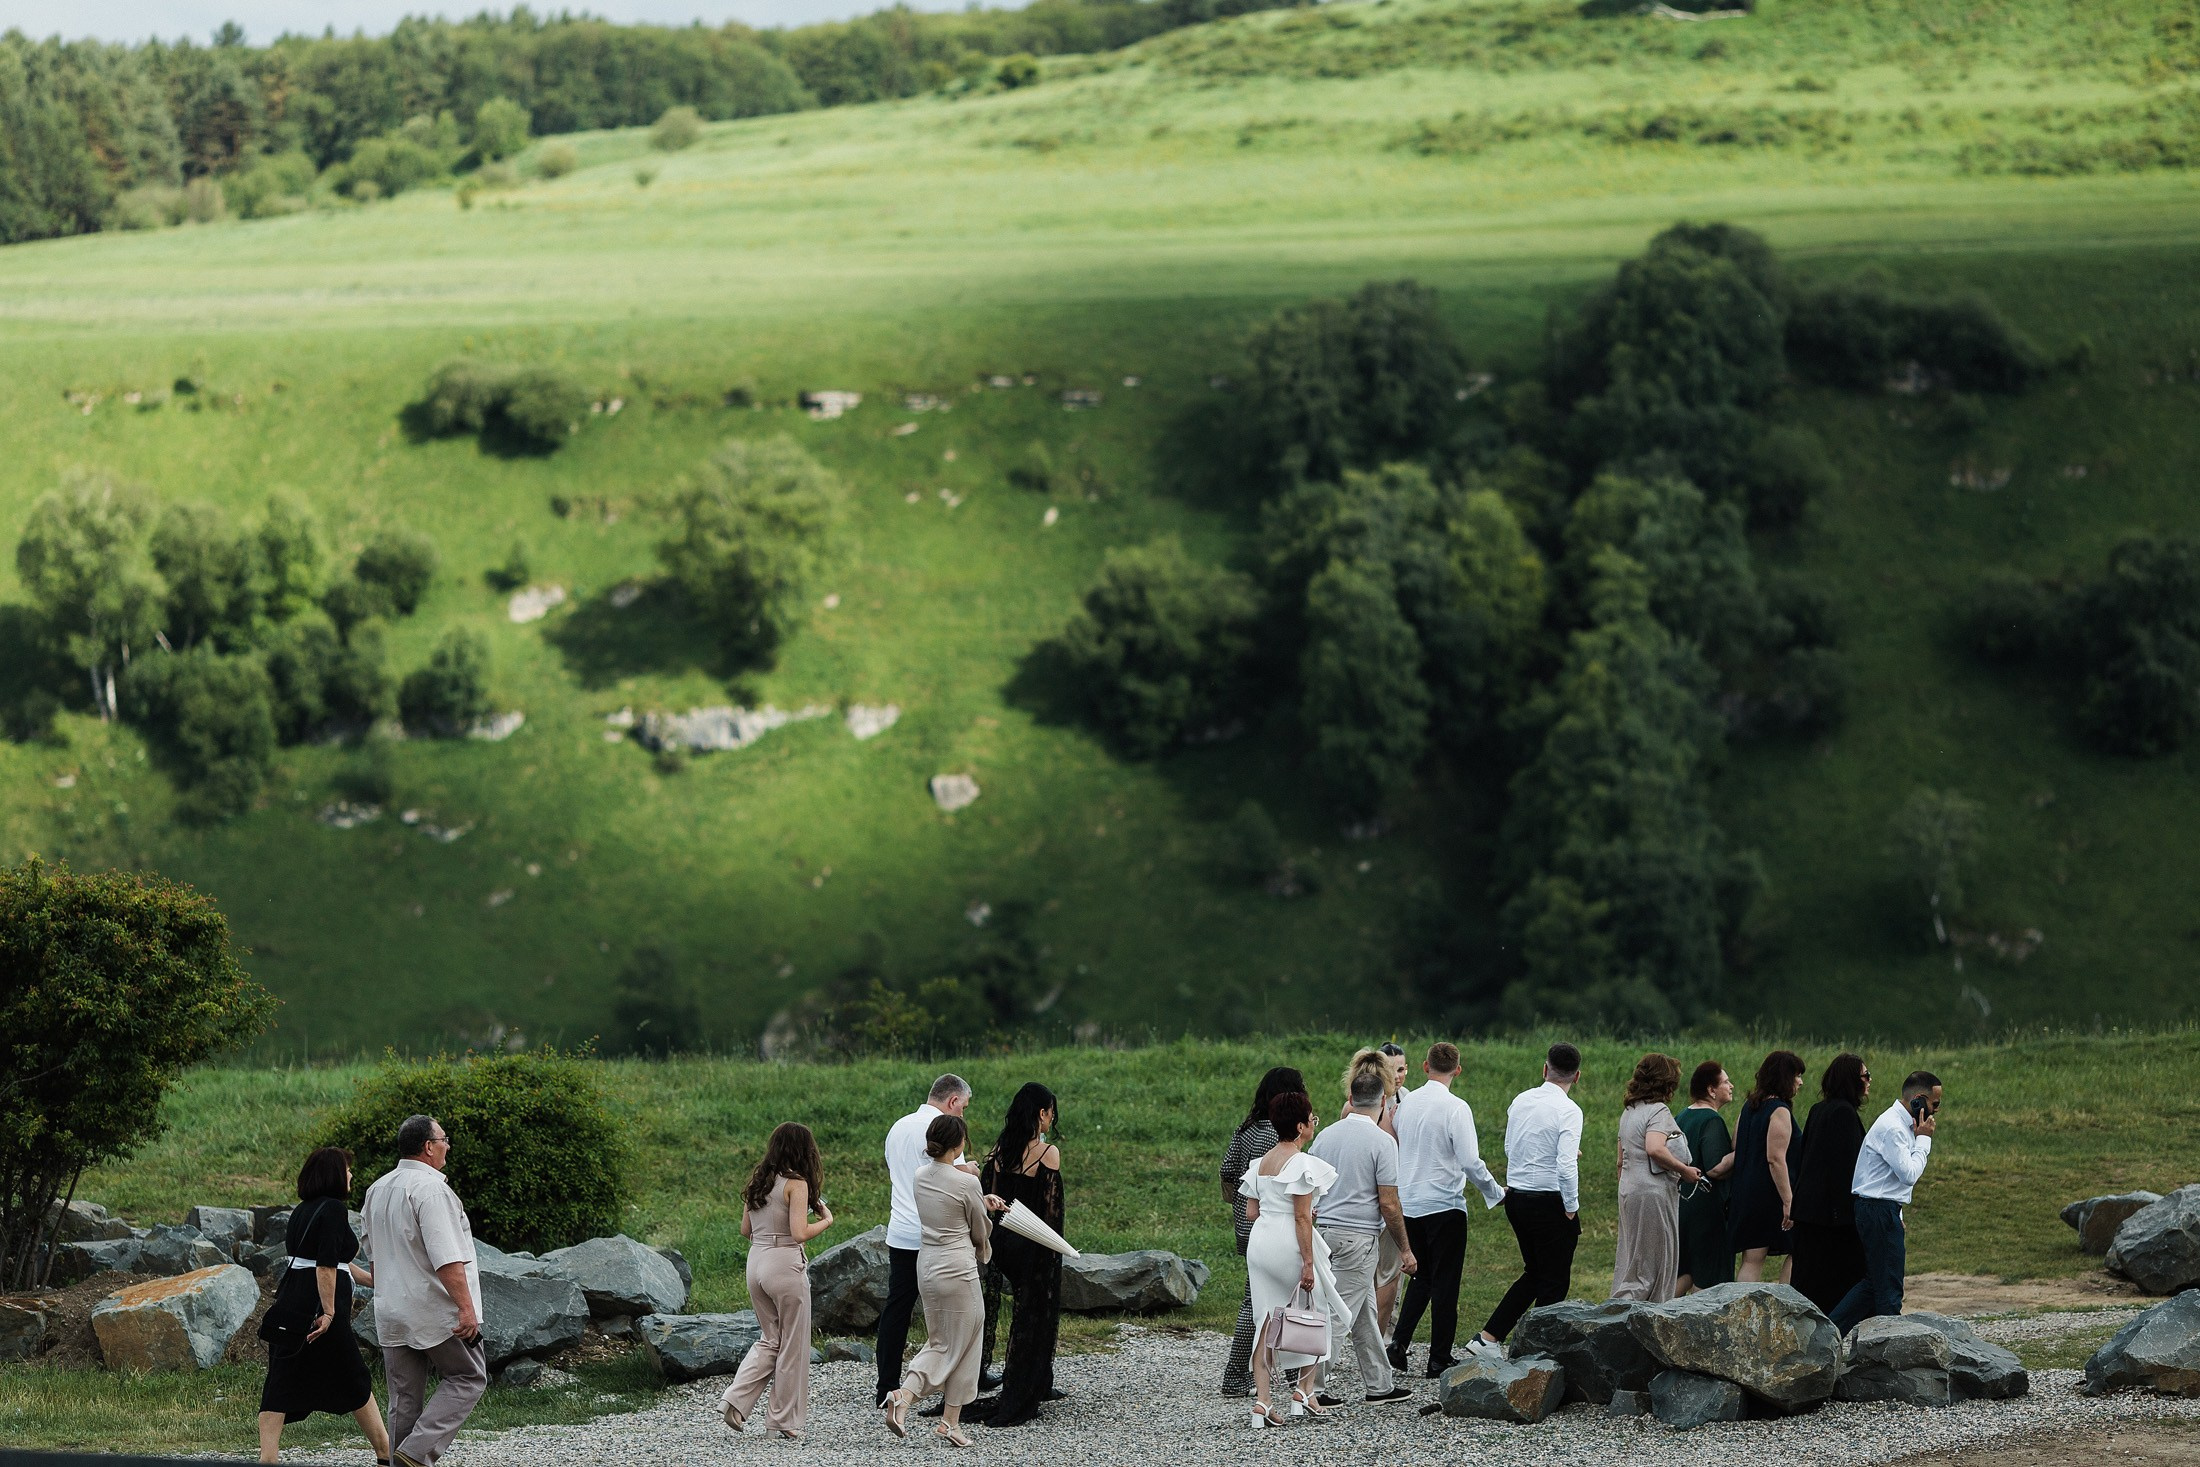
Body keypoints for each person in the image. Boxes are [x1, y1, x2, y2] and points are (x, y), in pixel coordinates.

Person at [359, 1116, 485, 1467]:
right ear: (429, 1147)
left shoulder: (377, 1189)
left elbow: (373, 1256)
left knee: (403, 1396)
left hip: (390, 1308)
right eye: (444, 1139)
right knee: (468, 1376)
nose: (448, 1146)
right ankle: (416, 1452)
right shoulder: (431, 1190)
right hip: (432, 1307)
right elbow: (447, 1257)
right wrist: (466, 1308)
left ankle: (401, 1463)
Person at [257, 1146, 388, 1465]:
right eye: (346, 1169)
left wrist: (375, 1281)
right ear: (334, 1175)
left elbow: (335, 1260)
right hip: (320, 1307)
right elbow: (326, 1267)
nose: (351, 1174)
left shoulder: (303, 1210)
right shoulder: (333, 1209)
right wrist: (329, 1312)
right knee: (353, 1375)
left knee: (282, 1377)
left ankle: (268, 1457)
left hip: (292, 1301)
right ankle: (385, 1451)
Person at [1387, 1042, 1503, 1378]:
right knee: (1446, 1283)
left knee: (1421, 1277)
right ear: (1457, 1070)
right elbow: (1470, 1161)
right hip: (1444, 1204)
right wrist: (1495, 1192)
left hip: (1410, 1202)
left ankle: (1399, 1344)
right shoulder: (1456, 1108)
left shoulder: (1406, 1106)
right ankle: (1438, 1357)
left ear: (1425, 1066)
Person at [882, 1115, 998, 1448]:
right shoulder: (967, 1183)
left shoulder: (921, 1175)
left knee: (945, 1339)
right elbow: (979, 1230)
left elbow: (950, 1198)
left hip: (927, 1265)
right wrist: (984, 1209)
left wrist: (979, 1200)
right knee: (957, 1343)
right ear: (959, 1144)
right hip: (957, 1269)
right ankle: (904, 1395)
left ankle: (950, 1422)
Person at [1307, 1062, 1418, 1407]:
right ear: (1383, 1101)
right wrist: (1405, 1249)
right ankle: (1312, 1388)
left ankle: (1379, 1384)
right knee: (1340, 1314)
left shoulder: (1325, 1137)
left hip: (1324, 1232)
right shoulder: (1382, 1143)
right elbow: (1389, 1203)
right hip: (1358, 1237)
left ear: (1351, 1100)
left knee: (1364, 1314)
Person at [1465, 1043, 1584, 1354]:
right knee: (1555, 1281)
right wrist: (1571, 1206)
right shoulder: (1569, 1110)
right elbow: (1566, 1164)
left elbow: (1511, 1146)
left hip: (1517, 1197)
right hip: (1550, 1200)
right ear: (1577, 1077)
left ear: (1545, 1070)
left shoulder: (1521, 1100)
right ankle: (1538, 1350)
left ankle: (1488, 1337)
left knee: (1535, 1272)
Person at [1241, 1091, 1348, 1429]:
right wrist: (1306, 1262)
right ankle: (1303, 1391)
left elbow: (1250, 1212)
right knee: (1314, 1313)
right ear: (1301, 1126)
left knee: (1266, 1320)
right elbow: (1303, 1219)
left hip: (1261, 1242)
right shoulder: (1301, 1163)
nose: (1314, 1123)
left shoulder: (1261, 1163)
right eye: (1312, 1119)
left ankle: (1262, 1401)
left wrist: (1283, 1209)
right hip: (1289, 1240)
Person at [721, 1123, 835, 1441]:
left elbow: (746, 1230)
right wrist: (825, 1220)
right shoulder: (795, 1184)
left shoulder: (760, 1180)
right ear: (804, 1151)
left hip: (756, 1262)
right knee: (793, 1346)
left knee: (771, 1339)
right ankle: (781, 1421)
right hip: (784, 1263)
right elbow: (799, 1233)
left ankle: (735, 1400)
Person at [876, 1074, 979, 1406]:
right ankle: (956, 1379)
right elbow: (952, 1175)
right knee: (955, 1312)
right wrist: (974, 1171)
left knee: (898, 1308)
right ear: (952, 1102)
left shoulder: (898, 1127)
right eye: (963, 1106)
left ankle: (886, 1384)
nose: (963, 1114)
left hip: (901, 1231)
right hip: (937, 1234)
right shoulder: (945, 1130)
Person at [974, 1083, 1064, 1428]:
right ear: (1041, 1114)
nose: (1052, 1119)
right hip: (1030, 1245)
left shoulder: (999, 1151)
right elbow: (1051, 1211)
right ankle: (1028, 1385)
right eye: (1051, 1112)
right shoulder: (1046, 1153)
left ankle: (996, 1377)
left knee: (1007, 1310)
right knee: (1033, 1313)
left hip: (1000, 1244)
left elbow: (985, 1194)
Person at [1830, 1071, 1941, 1333]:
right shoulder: (1893, 1127)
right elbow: (1908, 1175)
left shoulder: (1900, 1124)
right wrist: (1924, 1139)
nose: (1936, 1111)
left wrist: (1898, 1216)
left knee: (1875, 1284)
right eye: (1935, 1104)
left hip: (1882, 1208)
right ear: (1919, 1100)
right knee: (1889, 1287)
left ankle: (1828, 1333)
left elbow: (1887, 1180)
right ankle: (1889, 1350)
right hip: (1878, 1209)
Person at [1219, 1066, 1306, 1397]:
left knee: (1265, 1297)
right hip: (1269, 1225)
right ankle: (1239, 1375)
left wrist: (1239, 1206)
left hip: (1246, 1225)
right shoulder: (1275, 1134)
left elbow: (1227, 1170)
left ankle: (1292, 1375)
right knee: (1263, 1300)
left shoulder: (1246, 1128)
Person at [1610, 1053, 1702, 1304]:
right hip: (1652, 1191)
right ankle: (1638, 1315)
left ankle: (1623, 1311)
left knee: (1632, 1257)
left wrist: (1627, 1186)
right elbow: (1655, 1148)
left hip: (1629, 1188)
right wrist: (1684, 1170)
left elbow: (1621, 1160)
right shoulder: (1658, 1111)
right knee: (1651, 1263)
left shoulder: (1629, 1111)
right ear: (1667, 1083)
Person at [1788, 1053, 1871, 1316]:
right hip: (1833, 1218)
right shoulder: (1844, 1114)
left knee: (1810, 1282)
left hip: (1810, 1211)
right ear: (1852, 1080)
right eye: (1865, 1076)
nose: (1869, 1081)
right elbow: (1847, 1168)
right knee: (1844, 1280)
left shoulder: (1818, 1110)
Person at [1729, 1050, 1805, 1284]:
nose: (1800, 1081)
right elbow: (1775, 1158)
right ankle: (1787, 1303)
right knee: (1800, 1250)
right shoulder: (1779, 1110)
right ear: (1784, 1077)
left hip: (1744, 1190)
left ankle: (1742, 1312)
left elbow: (1736, 1144)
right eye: (1797, 1075)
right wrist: (1788, 1200)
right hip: (1769, 1193)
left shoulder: (1748, 1107)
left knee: (1751, 1258)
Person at [1674, 1062, 1737, 1293]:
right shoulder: (1711, 1120)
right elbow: (1715, 1168)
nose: (1731, 1086)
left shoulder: (1682, 1115)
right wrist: (1745, 1150)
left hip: (1682, 1204)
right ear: (1711, 1090)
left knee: (1686, 1271)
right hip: (1706, 1210)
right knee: (1707, 1276)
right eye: (1726, 1082)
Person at [1370, 1043, 1410, 1337]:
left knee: (1393, 1270)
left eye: (1402, 1068)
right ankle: (1374, 1332)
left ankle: (1386, 1329)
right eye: (1392, 1069)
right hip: (1375, 1193)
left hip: (1400, 1190)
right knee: (1380, 1271)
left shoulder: (1410, 1100)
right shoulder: (1368, 1101)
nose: (1398, 1075)